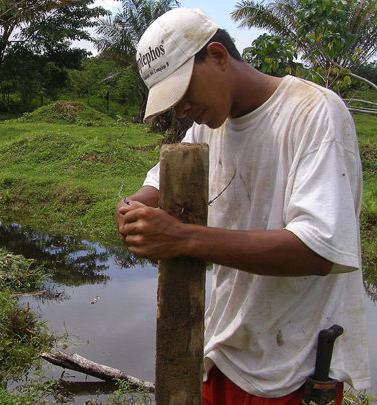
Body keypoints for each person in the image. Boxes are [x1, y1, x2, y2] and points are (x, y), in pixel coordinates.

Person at [114, 8, 370, 404]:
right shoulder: (206, 127)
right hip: (224, 351)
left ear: (217, 56)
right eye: (172, 100)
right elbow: (157, 184)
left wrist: (183, 238)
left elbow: (318, 248)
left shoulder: (313, 113)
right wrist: (132, 208)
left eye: (183, 92)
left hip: (291, 369)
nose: (180, 108)